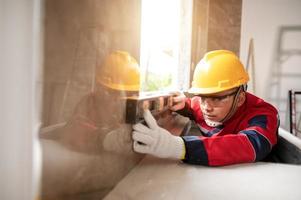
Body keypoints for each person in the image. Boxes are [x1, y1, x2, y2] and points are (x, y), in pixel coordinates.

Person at [132, 50, 279, 166]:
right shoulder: (204, 106)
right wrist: (183, 105)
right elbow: (192, 105)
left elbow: (250, 145)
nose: (206, 108)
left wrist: (180, 147)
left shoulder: (263, 115)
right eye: (202, 97)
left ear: (239, 99)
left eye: (217, 98)